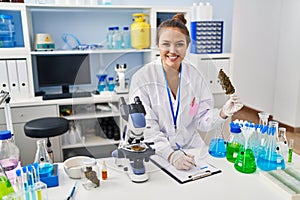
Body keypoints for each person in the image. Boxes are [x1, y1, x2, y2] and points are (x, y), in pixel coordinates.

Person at [129, 13, 243, 170]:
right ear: (157, 45)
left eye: (179, 44)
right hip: (155, 153)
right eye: (166, 44)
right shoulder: (142, 78)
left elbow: (201, 120)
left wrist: (222, 112)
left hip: (191, 150)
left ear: (187, 45)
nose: (172, 51)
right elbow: (148, 129)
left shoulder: (195, 77)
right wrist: (171, 155)